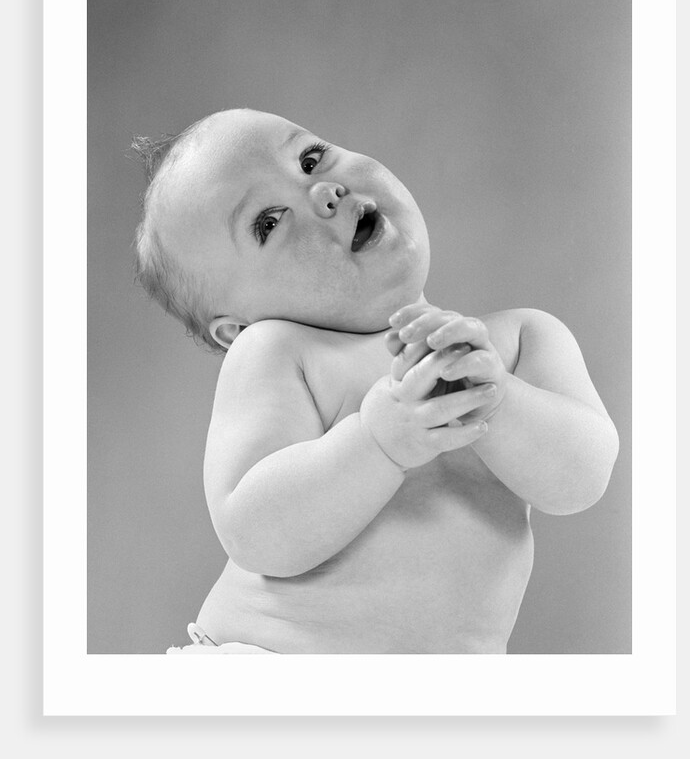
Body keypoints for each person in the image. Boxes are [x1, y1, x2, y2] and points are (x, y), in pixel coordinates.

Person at [133, 108, 619, 654]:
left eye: (310, 159)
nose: (323, 193)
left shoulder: (518, 342)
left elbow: (582, 481)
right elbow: (253, 533)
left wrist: (498, 398)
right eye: (268, 222)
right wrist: (376, 441)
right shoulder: (277, 352)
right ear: (237, 327)